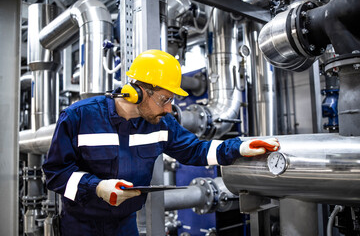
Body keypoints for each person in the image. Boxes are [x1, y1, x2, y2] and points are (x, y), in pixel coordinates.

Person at [42, 49, 280, 236]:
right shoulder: (80, 116)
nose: (169, 109)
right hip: (80, 226)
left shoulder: (161, 123)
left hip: (125, 226)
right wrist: (97, 187)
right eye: (165, 99)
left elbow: (195, 150)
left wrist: (238, 146)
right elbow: (55, 173)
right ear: (137, 91)